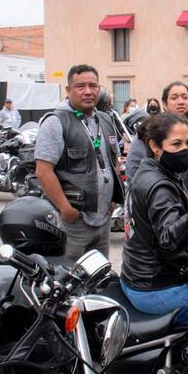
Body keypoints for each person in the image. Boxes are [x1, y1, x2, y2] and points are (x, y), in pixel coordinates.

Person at [120, 112, 188, 315]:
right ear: (155, 147)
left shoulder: (151, 170)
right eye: (176, 144)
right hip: (154, 286)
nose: (185, 150)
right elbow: (169, 240)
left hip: (137, 276)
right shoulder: (160, 186)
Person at [35, 64, 124, 260]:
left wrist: (113, 199)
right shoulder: (56, 121)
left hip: (103, 219)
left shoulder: (105, 119)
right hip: (74, 221)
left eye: (93, 86)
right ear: (68, 90)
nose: (88, 91)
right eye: (80, 86)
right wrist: (66, 209)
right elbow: (43, 171)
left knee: (98, 273)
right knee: (69, 276)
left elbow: (114, 160)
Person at [125, 81, 188, 189]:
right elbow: (134, 167)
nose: (180, 102)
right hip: (163, 198)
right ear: (164, 104)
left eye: (185, 97)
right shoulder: (152, 128)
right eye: (174, 98)